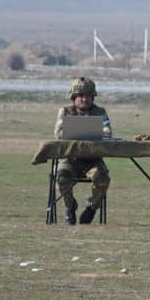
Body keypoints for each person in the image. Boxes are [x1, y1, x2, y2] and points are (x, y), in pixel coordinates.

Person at [53, 76, 113, 225]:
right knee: (62, 178)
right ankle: (70, 207)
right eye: (80, 96)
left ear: (93, 97)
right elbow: (59, 133)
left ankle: (92, 206)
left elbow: (107, 131)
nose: (84, 99)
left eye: (88, 96)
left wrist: (100, 131)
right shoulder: (65, 111)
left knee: (103, 178)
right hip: (70, 158)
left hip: (92, 159)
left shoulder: (100, 112)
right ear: (74, 97)